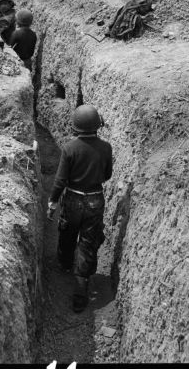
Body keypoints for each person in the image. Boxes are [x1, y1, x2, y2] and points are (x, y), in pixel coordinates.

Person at [47, 105, 113, 313]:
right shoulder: (106, 148)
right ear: (97, 125)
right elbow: (107, 175)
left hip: (73, 199)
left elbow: (60, 180)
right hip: (95, 200)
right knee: (87, 243)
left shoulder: (69, 148)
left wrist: (52, 202)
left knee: (67, 232)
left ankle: (65, 263)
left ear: (76, 126)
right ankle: (80, 292)